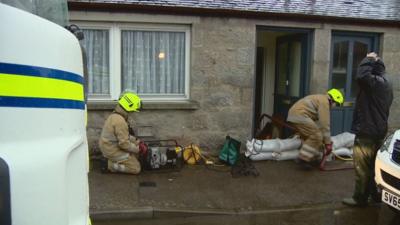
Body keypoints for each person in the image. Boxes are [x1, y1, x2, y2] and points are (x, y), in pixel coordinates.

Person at [342, 52, 393, 206]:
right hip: (378, 130)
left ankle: (360, 198)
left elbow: (361, 76)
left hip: (367, 131)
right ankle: (375, 195)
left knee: (362, 166)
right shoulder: (386, 83)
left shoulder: (374, 83)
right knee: (373, 165)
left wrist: (368, 58)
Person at [287, 89, 344, 165]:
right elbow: (325, 124)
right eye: (336, 103)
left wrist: (325, 140)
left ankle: (311, 158)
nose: (334, 106)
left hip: (295, 115)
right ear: (333, 99)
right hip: (300, 115)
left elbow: (318, 125)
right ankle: (303, 158)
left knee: (310, 137)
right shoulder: (325, 102)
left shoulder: (319, 98)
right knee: (316, 136)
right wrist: (328, 143)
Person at [99, 91, 142, 174]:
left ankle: (112, 159)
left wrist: (135, 140)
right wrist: (138, 149)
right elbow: (123, 144)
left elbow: (122, 135)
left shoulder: (115, 115)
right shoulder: (120, 121)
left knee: (134, 153)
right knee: (136, 168)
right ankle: (109, 165)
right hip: (112, 150)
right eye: (132, 111)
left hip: (107, 146)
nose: (132, 113)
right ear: (129, 108)